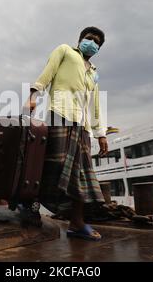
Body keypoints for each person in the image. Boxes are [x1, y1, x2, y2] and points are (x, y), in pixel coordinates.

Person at [27, 27, 109, 241]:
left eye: (97, 42)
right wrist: (34, 94)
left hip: (83, 128)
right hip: (59, 113)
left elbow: (95, 104)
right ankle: (30, 208)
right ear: (81, 40)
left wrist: (101, 134)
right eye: (89, 38)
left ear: (98, 49)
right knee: (49, 164)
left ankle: (77, 222)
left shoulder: (94, 73)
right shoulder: (65, 51)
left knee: (81, 175)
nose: (92, 43)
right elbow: (48, 71)